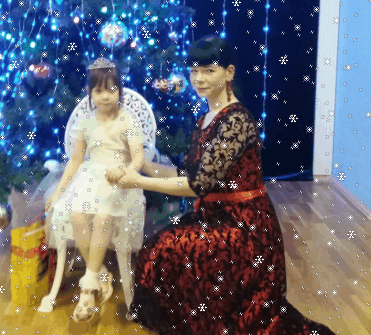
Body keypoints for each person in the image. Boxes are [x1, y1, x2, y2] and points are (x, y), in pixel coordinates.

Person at [106, 35, 336, 335]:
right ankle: (199, 324)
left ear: (229, 73)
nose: (198, 79)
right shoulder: (205, 118)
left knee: (165, 249)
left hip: (245, 227)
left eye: (208, 70)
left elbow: (198, 185)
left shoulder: (236, 121)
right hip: (215, 217)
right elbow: (186, 172)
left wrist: (138, 181)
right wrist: (142, 165)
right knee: (155, 250)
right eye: (194, 71)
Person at [43, 57, 147, 323]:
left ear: (119, 90)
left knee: (102, 216)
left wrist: (127, 172)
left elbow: (138, 157)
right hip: (90, 178)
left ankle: (88, 291)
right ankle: (99, 274)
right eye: (99, 91)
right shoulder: (86, 121)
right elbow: (76, 160)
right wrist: (58, 191)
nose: (105, 96)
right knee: (77, 214)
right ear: (90, 92)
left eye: (111, 89)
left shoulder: (127, 120)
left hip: (118, 178)